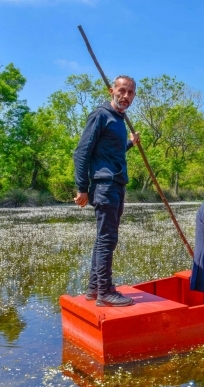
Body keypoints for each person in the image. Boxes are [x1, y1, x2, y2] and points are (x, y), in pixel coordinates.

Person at [73, 75, 139, 307]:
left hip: (115, 184)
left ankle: (94, 289)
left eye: (130, 93)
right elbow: (82, 152)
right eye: (122, 91)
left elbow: (112, 152)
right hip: (104, 186)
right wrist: (82, 188)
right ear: (112, 91)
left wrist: (130, 143)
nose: (125, 96)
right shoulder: (101, 115)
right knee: (107, 239)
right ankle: (104, 293)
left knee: (104, 239)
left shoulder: (118, 119)